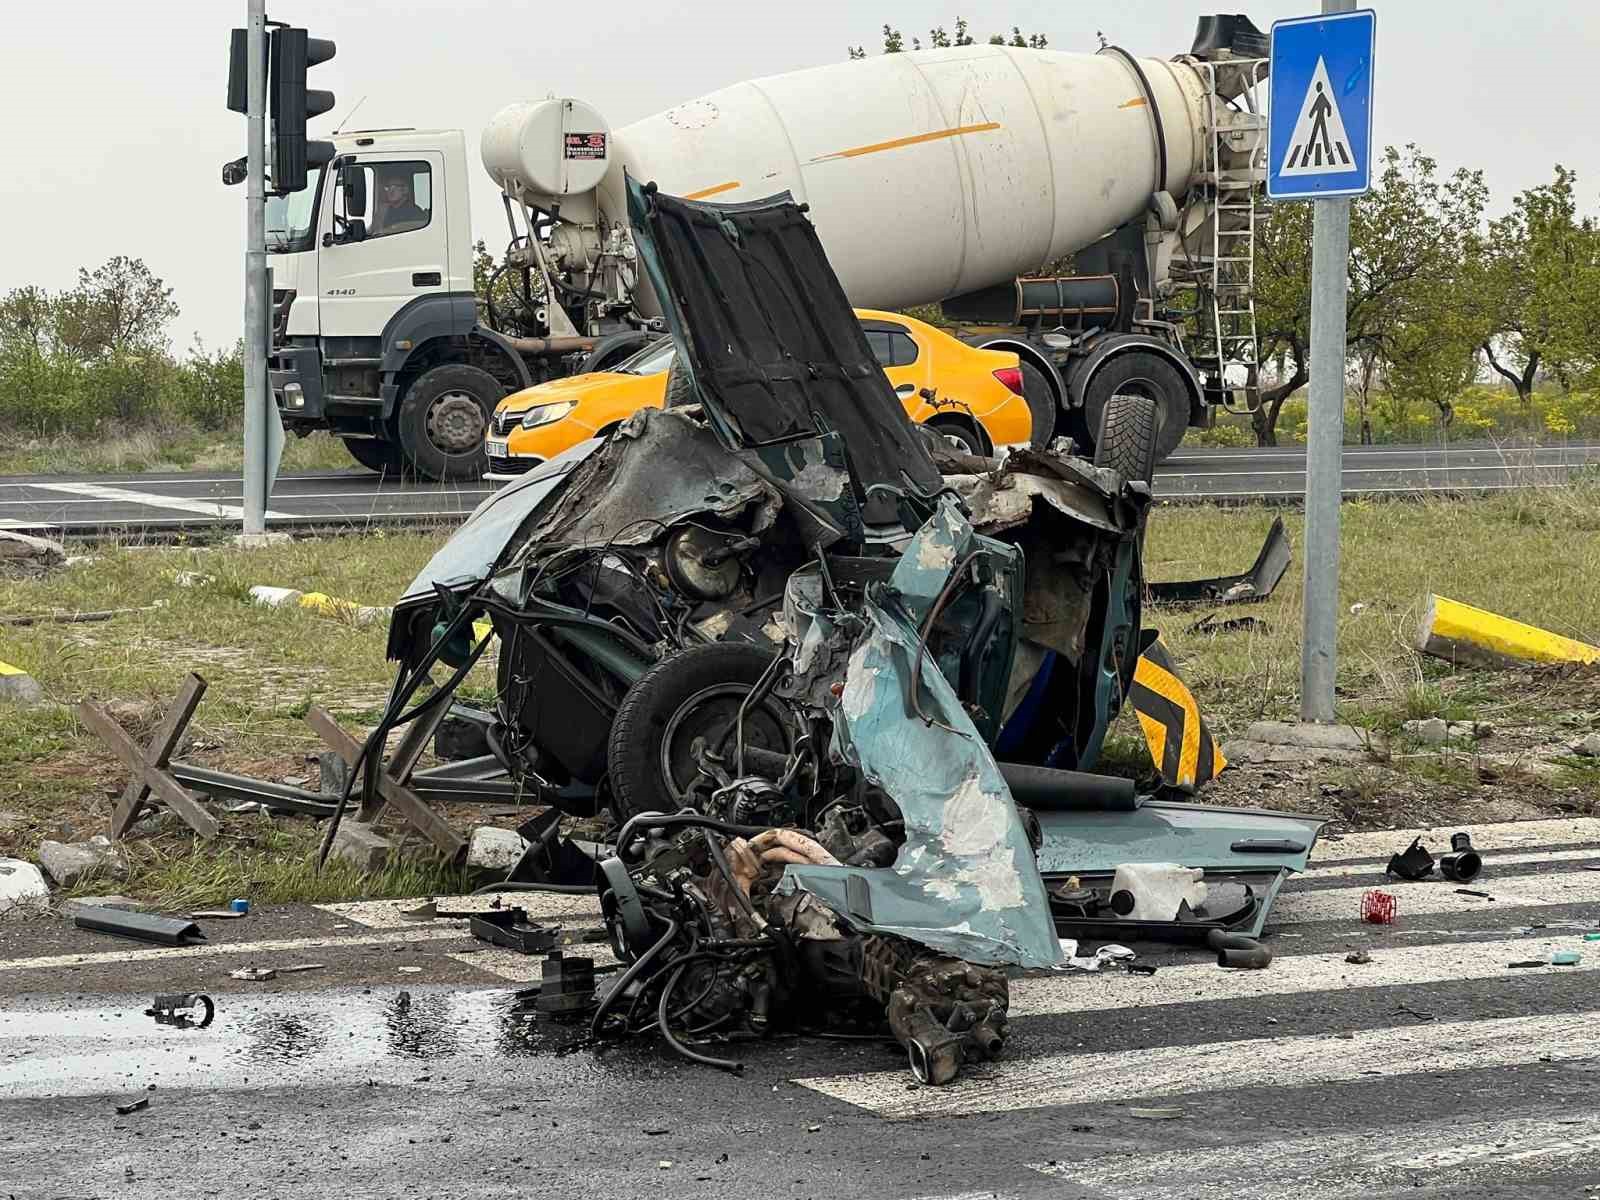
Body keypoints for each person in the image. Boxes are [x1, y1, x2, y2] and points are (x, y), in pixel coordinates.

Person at [372, 169, 426, 236]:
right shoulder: (385, 210)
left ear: (405, 190)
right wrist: (380, 215)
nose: (391, 191)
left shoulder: (414, 211)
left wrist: (389, 230)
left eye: (395, 187)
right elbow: (375, 233)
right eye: (388, 187)